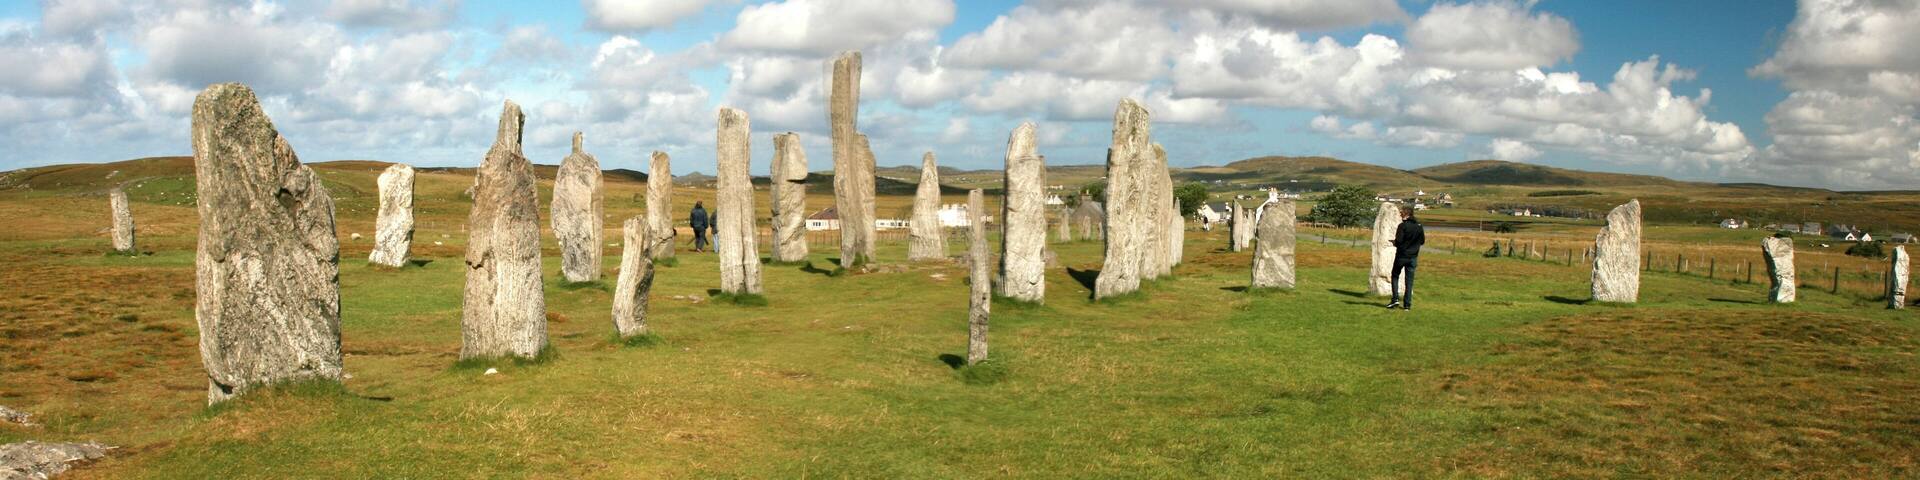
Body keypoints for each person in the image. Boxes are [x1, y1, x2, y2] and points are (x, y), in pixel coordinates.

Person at [1386, 207, 1425, 310]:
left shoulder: (1402, 226)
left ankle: (1395, 299)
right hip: (1413, 257)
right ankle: (1407, 305)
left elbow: (1399, 241)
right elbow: (1422, 241)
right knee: (1409, 280)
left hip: (1401, 256)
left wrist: (1394, 242)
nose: (1400, 215)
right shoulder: (1419, 226)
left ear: (1407, 214)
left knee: (1395, 276)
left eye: (1401, 213)